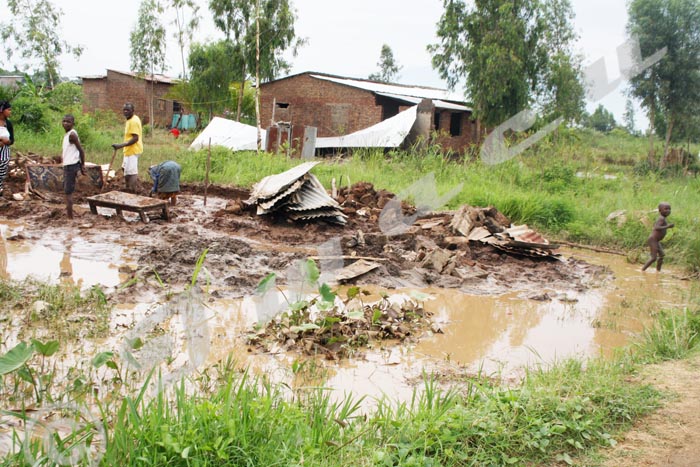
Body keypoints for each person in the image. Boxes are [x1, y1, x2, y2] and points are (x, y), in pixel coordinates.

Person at [111, 102, 143, 193]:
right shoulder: (130, 119)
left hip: (133, 149)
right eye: (124, 110)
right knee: (125, 169)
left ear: (132, 111)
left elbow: (135, 138)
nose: (125, 112)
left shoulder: (133, 121)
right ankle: (129, 187)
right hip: (128, 150)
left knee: (131, 172)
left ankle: (132, 191)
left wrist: (120, 145)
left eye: (128, 110)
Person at [61, 114, 86, 219]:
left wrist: (83, 164)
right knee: (68, 191)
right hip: (69, 165)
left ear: (73, 124)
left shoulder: (72, 135)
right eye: (64, 121)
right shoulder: (68, 135)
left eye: (68, 122)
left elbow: (81, 150)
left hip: (71, 166)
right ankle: (70, 215)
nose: (65, 123)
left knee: (68, 193)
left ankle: (70, 218)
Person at [642, 202, 674, 272]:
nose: (668, 210)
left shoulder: (663, 218)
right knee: (653, 258)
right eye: (666, 209)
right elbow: (657, 227)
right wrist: (668, 226)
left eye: (669, 209)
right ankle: (642, 270)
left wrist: (667, 226)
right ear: (660, 211)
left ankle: (658, 271)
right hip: (653, 239)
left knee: (662, 255)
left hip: (656, 240)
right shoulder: (661, 218)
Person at [0, 101, 14, 195]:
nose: (10, 112)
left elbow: (12, 140)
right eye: (8, 110)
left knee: (2, 170)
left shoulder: (8, 124)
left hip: (4, 151)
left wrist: (7, 142)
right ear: (1, 110)